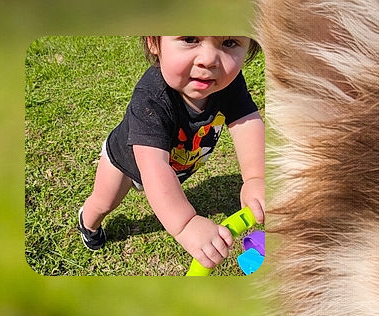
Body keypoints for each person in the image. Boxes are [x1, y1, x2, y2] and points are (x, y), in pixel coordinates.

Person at [77, 36, 265, 270]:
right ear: (154, 44)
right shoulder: (151, 97)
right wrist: (186, 224)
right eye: (190, 39)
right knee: (102, 203)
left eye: (228, 43)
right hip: (125, 163)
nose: (209, 60)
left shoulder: (229, 84)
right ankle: (88, 223)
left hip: (174, 165)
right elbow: (153, 165)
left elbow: (246, 122)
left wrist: (256, 177)